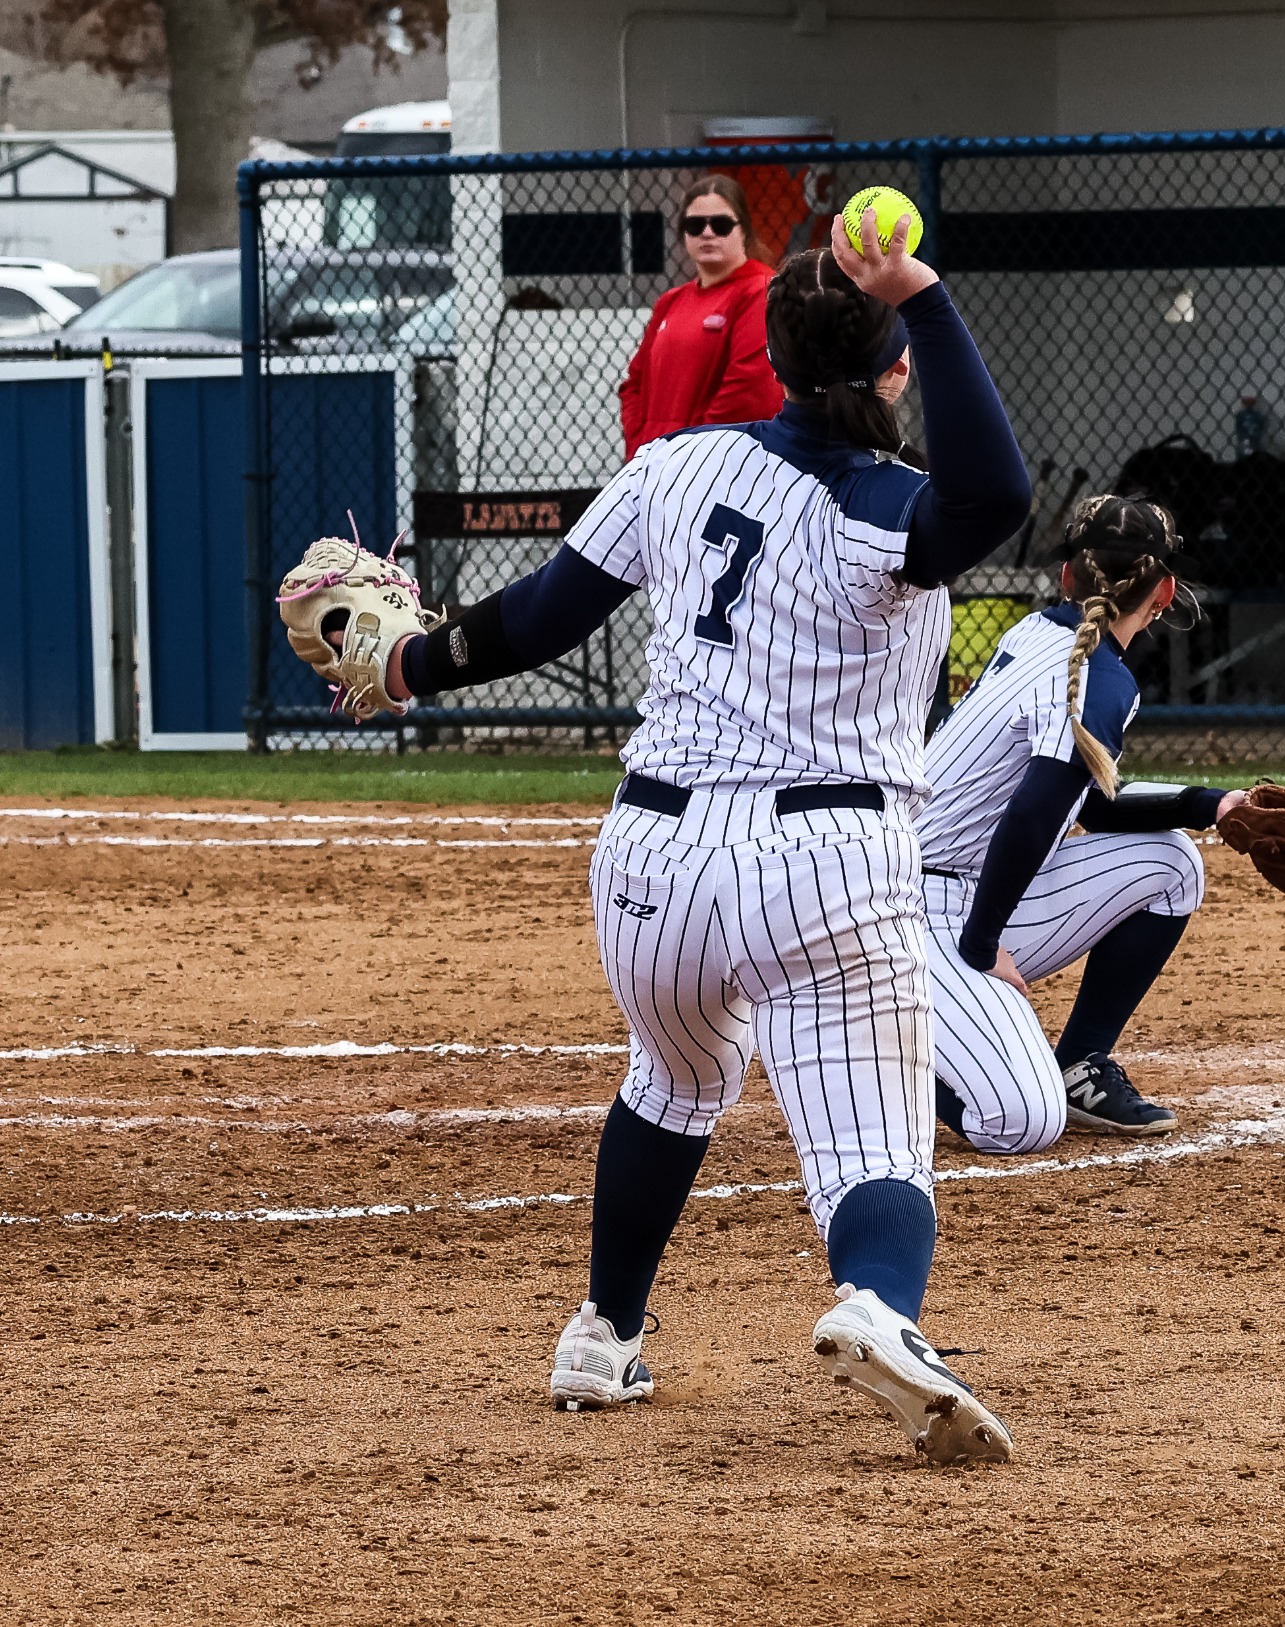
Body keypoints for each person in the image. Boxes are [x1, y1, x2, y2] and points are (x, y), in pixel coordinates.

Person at [365, 207, 1031, 1459]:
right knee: (876, 1141)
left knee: (669, 1082)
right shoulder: (891, 508)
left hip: (649, 860)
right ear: (892, 370)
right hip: (825, 864)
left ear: (773, 360)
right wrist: (924, 294)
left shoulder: (675, 464)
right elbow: (997, 491)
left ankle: (601, 1332)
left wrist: (410, 663)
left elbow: (538, 618)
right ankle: (881, 1310)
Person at [917, 495, 1247, 1150]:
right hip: (907, 903)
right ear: (1166, 591)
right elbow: (1034, 811)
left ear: (1067, 576)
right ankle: (874, 1052)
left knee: (1172, 864)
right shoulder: (1097, 678)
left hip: (969, 886)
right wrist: (982, 947)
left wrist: (1208, 804)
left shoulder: (1040, 634)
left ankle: (1081, 1062)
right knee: (1019, 1122)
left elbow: (1079, 802)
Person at [617, 175, 782, 460]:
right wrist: (641, 448)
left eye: (721, 225)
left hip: (717, 468)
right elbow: (634, 384)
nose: (707, 233)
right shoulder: (670, 301)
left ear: (744, 231)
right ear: (682, 233)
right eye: (695, 225)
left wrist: (689, 456)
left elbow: (749, 391)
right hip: (657, 466)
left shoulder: (762, 290)